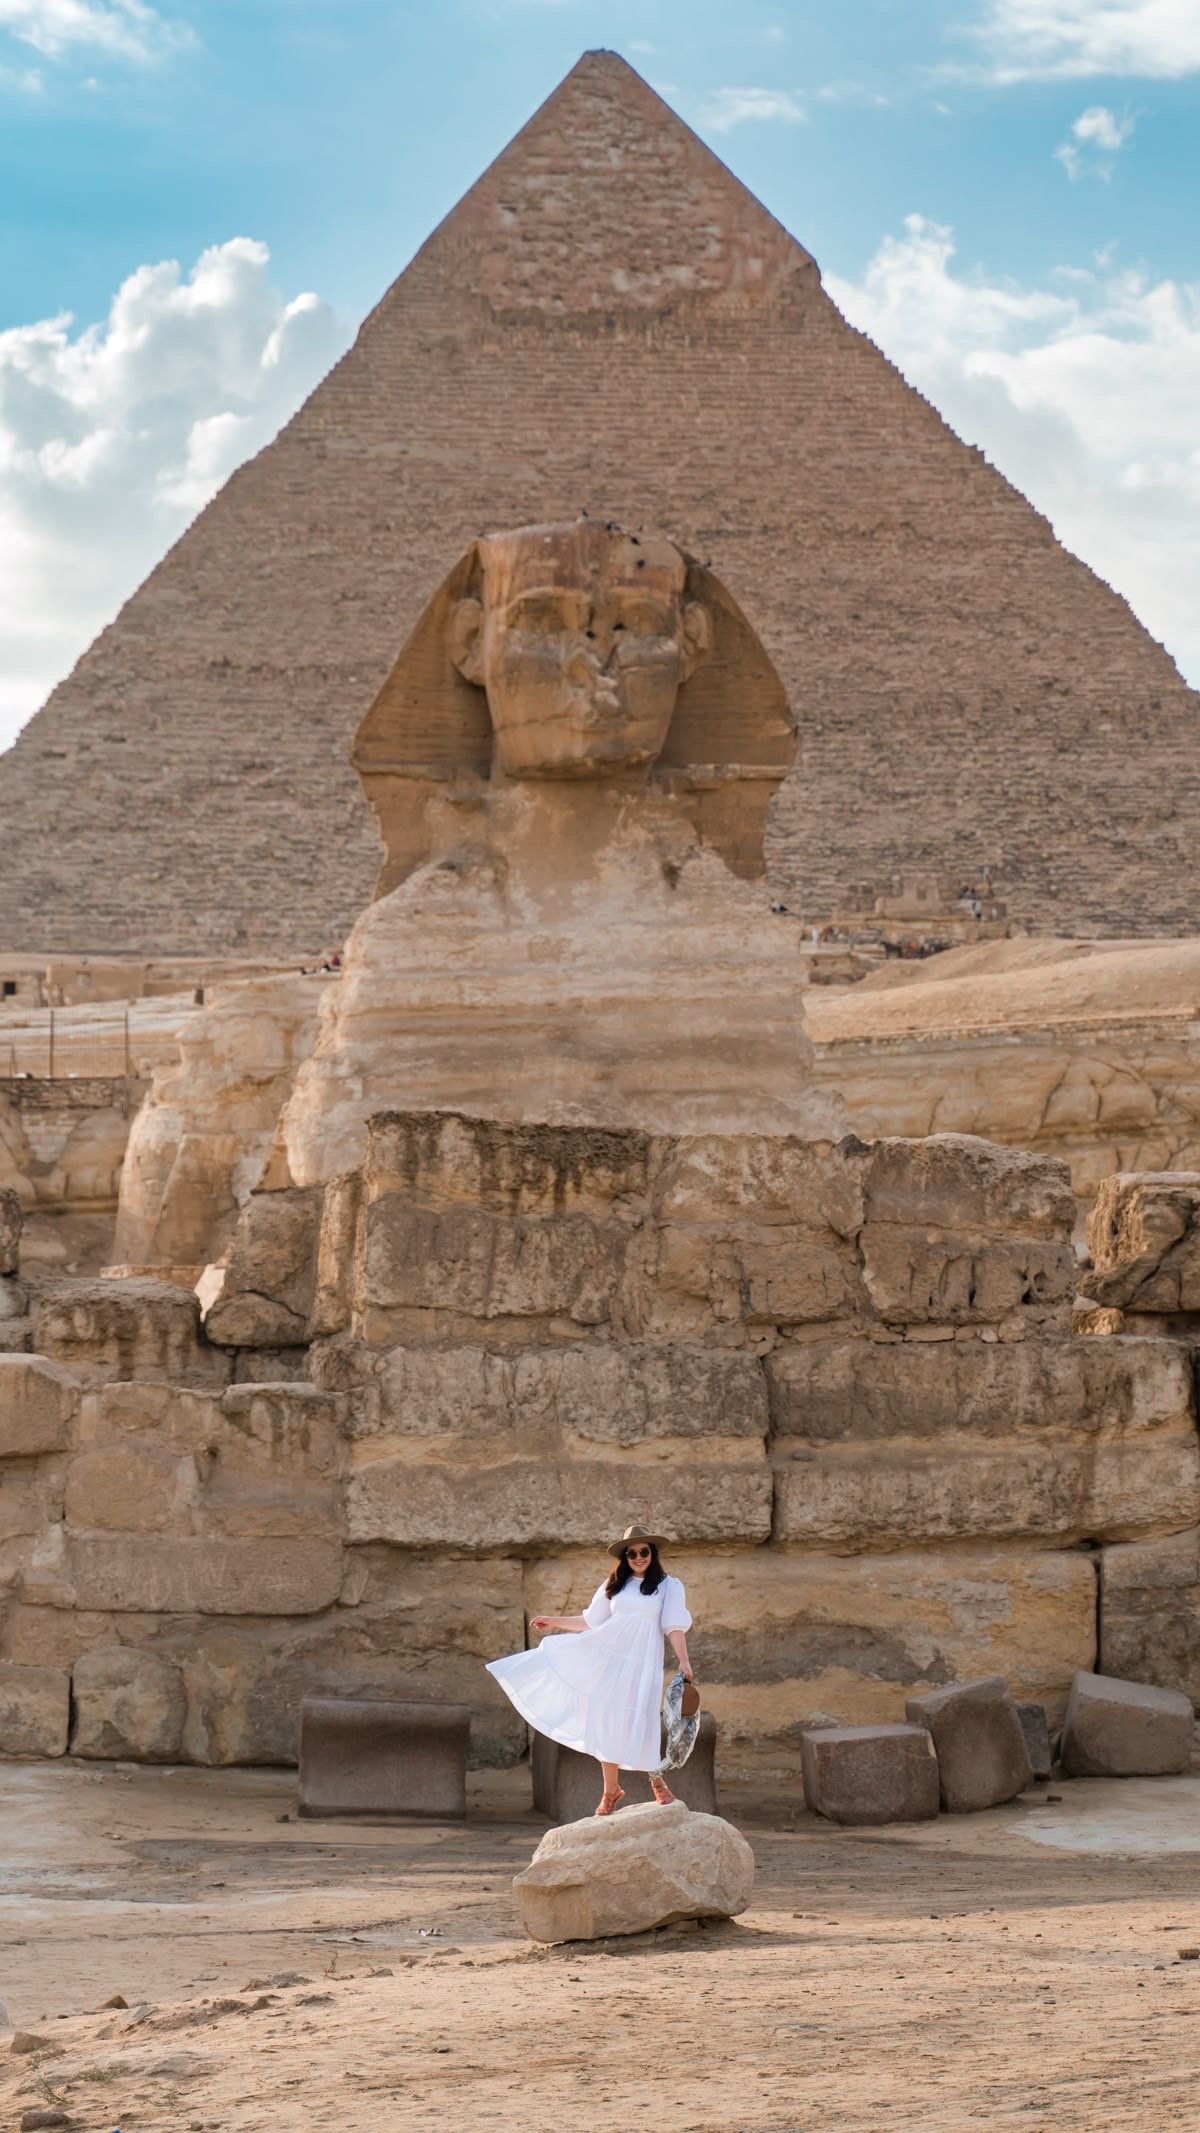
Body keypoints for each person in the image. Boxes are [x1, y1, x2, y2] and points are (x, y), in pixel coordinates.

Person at [486, 1524, 695, 1816]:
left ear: (653, 1553)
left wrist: (684, 1661)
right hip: (609, 1659)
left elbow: (673, 1626)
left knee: (643, 1717)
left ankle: (656, 1780)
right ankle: (611, 1790)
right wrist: (553, 1621)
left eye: (644, 1551)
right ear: (624, 1556)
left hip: (643, 1663)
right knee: (607, 1719)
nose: (638, 1557)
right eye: (632, 1552)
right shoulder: (615, 1584)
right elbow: (590, 1621)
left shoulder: (668, 1586)